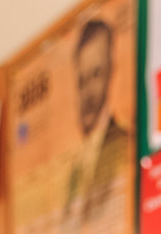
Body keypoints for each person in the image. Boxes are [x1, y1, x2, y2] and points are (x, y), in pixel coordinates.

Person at [64, 17, 129, 223]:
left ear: (111, 70)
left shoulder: (125, 146)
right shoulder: (73, 173)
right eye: (82, 81)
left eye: (96, 74)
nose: (88, 93)